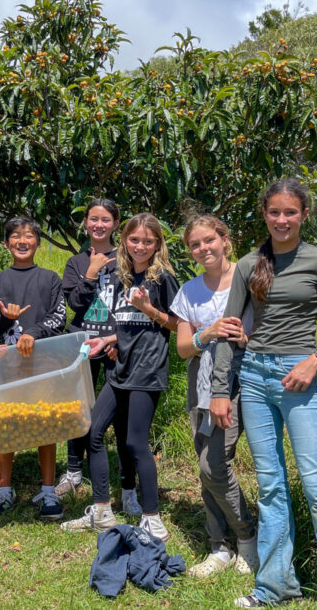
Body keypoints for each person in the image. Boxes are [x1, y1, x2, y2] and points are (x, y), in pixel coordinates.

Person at [211, 178, 317, 609]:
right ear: (264, 214)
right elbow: (228, 329)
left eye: (290, 212)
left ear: (304, 215)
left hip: (298, 376)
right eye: (274, 212)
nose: (282, 220)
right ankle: (274, 586)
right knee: (270, 486)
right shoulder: (249, 264)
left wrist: (316, 359)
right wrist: (220, 390)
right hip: (254, 377)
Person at [61, 213, 179, 541]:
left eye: (148, 241)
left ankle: (152, 518)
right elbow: (127, 325)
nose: (140, 246)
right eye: (134, 239)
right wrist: (107, 340)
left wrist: (149, 309)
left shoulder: (163, 278)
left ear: (158, 244)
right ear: (124, 240)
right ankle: (102, 510)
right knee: (93, 431)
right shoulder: (123, 277)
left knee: (135, 443)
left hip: (147, 370)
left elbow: (179, 324)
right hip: (119, 368)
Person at [171, 215, 259, 578]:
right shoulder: (189, 291)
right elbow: (182, 349)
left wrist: (244, 339)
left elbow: (270, 332)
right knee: (205, 463)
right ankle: (219, 547)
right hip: (201, 380)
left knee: (214, 465)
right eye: (195, 244)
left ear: (224, 239)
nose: (203, 248)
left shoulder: (249, 278)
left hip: (241, 377)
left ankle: (247, 536)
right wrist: (207, 333)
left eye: (209, 240)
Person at [0, 216, 67, 522]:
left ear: (38, 243)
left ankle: (48, 491)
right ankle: (4, 491)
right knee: (5, 423)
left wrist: (32, 333)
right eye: (15, 236)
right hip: (6, 367)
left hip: (43, 363)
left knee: (45, 422)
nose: (22, 241)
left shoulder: (50, 279)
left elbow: (58, 318)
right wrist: (6, 320)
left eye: (29, 236)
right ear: (6, 244)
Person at [55, 199, 135, 516]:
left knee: (121, 411)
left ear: (115, 224)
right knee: (78, 407)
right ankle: (74, 470)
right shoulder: (76, 262)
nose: (98, 225)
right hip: (82, 342)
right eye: (93, 219)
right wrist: (90, 272)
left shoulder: (127, 258)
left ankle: (127, 480)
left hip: (114, 343)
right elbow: (75, 303)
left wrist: (119, 338)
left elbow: (132, 303)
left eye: (105, 220)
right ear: (85, 222)